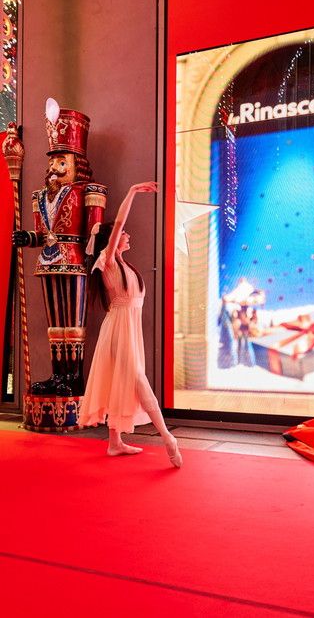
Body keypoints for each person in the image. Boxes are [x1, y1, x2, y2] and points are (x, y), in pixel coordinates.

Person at [78, 182, 182, 467]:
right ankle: (168, 438)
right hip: (118, 331)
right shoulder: (108, 261)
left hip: (127, 330)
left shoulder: (123, 265)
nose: (127, 234)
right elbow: (119, 222)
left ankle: (115, 443)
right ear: (112, 239)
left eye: (123, 233)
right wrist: (133, 191)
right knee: (138, 380)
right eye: (122, 233)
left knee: (122, 382)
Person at [12, 98, 107, 397]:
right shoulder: (40, 196)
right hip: (47, 261)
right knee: (54, 323)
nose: (54, 168)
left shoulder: (89, 190)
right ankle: (58, 375)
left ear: (77, 164)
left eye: (62, 162)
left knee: (73, 322)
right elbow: (42, 234)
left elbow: (94, 230)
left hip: (76, 259)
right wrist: (27, 237)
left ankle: (74, 377)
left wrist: (95, 249)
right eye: (52, 162)